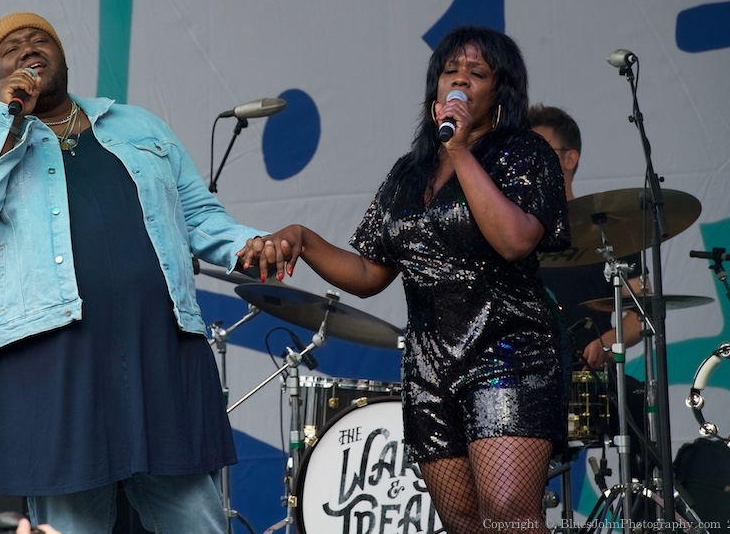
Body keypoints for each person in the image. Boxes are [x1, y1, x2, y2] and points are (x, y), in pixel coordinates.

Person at [0, 12, 277, 534]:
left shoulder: (138, 125)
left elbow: (196, 214)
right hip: (47, 356)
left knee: (196, 515)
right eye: (10, 49)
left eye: (38, 39)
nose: (26, 49)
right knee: (71, 523)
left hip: (155, 345)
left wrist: (245, 244)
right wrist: (8, 122)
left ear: (62, 57)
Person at [241, 26, 571, 533]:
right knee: (463, 524)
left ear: (499, 94)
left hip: (505, 355)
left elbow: (514, 240)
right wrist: (304, 239)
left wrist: (460, 150)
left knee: (511, 517)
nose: (459, 81)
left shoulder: (524, 154)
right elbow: (371, 272)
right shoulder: (409, 173)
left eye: (476, 73)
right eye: (449, 71)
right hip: (429, 370)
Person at [528, 105, 645, 371]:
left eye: (541, 152)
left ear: (570, 159)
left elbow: (643, 312)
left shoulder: (608, 231)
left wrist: (606, 343)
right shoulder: (506, 237)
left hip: (587, 388)